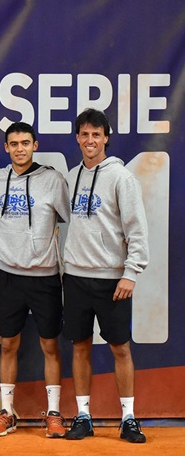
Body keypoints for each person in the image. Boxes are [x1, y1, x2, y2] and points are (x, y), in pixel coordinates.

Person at [62, 109, 148, 443]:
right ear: (78, 138)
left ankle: (129, 417)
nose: (89, 140)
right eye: (84, 134)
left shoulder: (121, 177)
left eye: (96, 134)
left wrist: (131, 273)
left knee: (120, 348)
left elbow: (136, 229)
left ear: (106, 137)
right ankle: (83, 415)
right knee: (80, 347)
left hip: (113, 280)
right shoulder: (71, 177)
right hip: (76, 277)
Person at [0, 122, 70, 438]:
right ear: (6, 148)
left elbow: (74, 219)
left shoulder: (52, 181)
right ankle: (7, 411)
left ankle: (54, 413)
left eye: (25, 143)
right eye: (13, 143)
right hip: (9, 276)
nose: (19, 148)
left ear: (35, 145)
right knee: (8, 343)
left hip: (45, 276)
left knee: (50, 345)